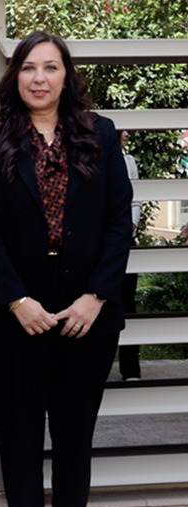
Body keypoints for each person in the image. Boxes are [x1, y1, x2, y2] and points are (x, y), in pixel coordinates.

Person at [0, 31, 132, 507]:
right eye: (29, 68)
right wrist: (16, 299)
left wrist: (96, 296)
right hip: (15, 317)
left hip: (87, 315)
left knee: (73, 432)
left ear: (66, 76)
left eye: (51, 67)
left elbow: (119, 221)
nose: (39, 78)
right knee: (17, 432)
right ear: (15, 76)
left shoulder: (99, 135)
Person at [117, 130, 143, 381]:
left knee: (128, 303)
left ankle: (130, 369)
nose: (127, 133)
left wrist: (131, 227)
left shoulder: (129, 161)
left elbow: (136, 200)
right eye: (122, 129)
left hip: (125, 240)